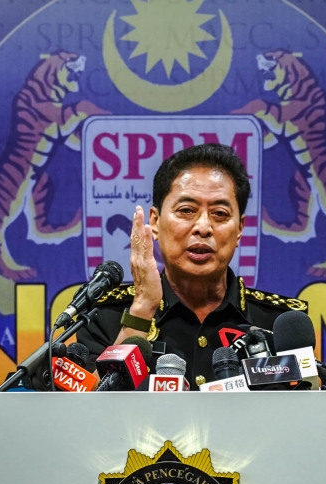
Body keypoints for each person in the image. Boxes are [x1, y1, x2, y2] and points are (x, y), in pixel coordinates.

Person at [76, 143, 307, 385]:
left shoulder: (279, 326)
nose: (204, 227)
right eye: (186, 210)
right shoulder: (104, 319)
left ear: (240, 229)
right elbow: (88, 413)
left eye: (220, 213)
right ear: (154, 221)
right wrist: (141, 312)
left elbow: (304, 414)